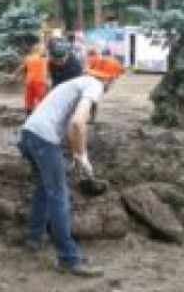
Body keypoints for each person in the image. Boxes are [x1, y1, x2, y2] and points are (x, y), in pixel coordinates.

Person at [17, 65, 119, 277]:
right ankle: (69, 259)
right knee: (59, 196)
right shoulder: (94, 84)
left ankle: (34, 238)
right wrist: (82, 155)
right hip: (43, 139)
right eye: (114, 81)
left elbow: (64, 123)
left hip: (27, 135)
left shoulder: (75, 82)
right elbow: (77, 123)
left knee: (44, 190)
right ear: (110, 79)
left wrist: (74, 154)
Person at [12, 44, 48, 115]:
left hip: (29, 81)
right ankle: (42, 114)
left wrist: (14, 74)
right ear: (39, 50)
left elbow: (21, 68)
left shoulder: (28, 58)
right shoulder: (44, 59)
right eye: (43, 49)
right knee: (41, 98)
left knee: (29, 98)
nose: (44, 51)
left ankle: (28, 113)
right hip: (39, 81)